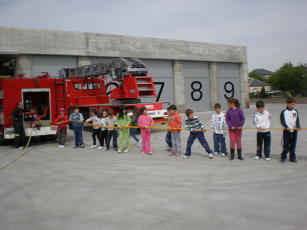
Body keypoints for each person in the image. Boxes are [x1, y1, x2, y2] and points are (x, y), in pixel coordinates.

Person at [280, 97, 301, 163]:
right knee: (286, 144)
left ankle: (292, 157)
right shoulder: (284, 112)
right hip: (287, 131)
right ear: (287, 104)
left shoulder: (295, 111)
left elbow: (297, 119)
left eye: (293, 104)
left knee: (293, 145)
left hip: (294, 130)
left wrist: (298, 126)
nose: (293, 105)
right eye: (291, 104)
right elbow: (282, 121)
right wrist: (286, 126)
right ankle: (283, 157)